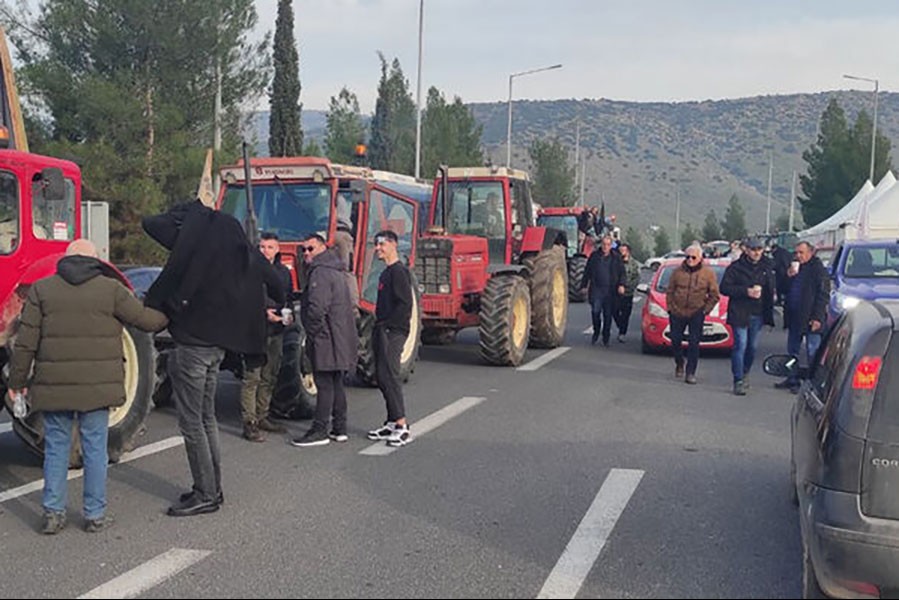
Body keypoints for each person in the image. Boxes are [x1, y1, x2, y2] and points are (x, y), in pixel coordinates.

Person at [6, 240, 168, 534]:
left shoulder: (42, 290)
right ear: (95, 260)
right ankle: (94, 515)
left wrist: (16, 383)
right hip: (97, 391)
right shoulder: (112, 290)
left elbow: (26, 344)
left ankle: (53, 514)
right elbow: (145, 321)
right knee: (95, 450)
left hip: (54, 390)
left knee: (56, 449)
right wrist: (171, 313)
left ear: (65, 260)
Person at [143, 199, 285, 518]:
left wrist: (192, 213)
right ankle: (211, 487)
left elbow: (151, 223)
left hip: (191, 346)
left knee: (192, 422)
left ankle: (206, 492)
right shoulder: (234, 253)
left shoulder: (195, 256)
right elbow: (276, 284)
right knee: (206, 419)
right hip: (217, 347)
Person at [290, 233, 359, 447]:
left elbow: (317, 308)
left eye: (310, 249)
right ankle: (340, 428)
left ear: (322, 247)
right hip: (338, 336)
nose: (306, 253)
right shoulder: (336, 271)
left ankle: (319, 430)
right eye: (303, 250)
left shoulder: (320, 273)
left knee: (324, 383)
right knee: (336, 383)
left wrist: (314, 331)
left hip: (326, 338)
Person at [239, 232, 291, 442]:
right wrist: (263, 312)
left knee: (269, 376)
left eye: (270, 247)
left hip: (276, 332)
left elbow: (286, 297)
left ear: (277, 249)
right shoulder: (248, 271)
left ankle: (262, 415)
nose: (265, 251)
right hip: (254, 330)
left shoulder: (283, 272)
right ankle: (249, 423)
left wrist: (285, 314)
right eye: (262, 247)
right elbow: (241, 299)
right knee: (252, 378)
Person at [366, 230, 414, 447]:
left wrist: (389, 326)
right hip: (382, 328)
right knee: (381, 376)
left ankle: (402, 426)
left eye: (382, 244)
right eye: (376, 244)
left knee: (390, 375)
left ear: (393, 244)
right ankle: (391, 421)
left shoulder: (399, 272)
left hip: (393, 331)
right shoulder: (385, 273)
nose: (378, 248)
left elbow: (405, 304)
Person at [720, 237, 776, 396]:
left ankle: (745, 372)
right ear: (746, 250)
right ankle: (737, 380)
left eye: (759, 249)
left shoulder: (767, 267)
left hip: (757, 313)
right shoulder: (735, 267)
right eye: (753, 249)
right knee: (740, 345)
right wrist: (746, 291)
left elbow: (772, 286)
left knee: (752, 347)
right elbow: (724, 288)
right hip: (740, 311)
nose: (757, 253)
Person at [776, 241, 829, 393]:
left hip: (811, 317)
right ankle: (792, 378)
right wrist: (787, 277)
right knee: (792, 350)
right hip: (794, 316)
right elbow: (783, 290)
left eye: (801, 253)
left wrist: (817, 317)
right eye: (796, 253)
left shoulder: (818, 270)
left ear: (810, 253)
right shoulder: (795, 268)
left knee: (813, 351)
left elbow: (823, 295)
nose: (798, 256)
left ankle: (813, 383)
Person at [666, 243, 720, 384]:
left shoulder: (708, 274)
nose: (690, 259)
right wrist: (670, 308)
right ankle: (679, 363)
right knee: (675, 340)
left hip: (697, 311)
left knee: (694, 343)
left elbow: (715, 295)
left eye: (693, 257)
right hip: (677, 311)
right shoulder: (677, 272)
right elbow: (670, 291)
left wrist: (705, 310)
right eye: (687, 256)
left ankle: (690, 373)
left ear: (700, 258)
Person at [580, 235, 625, 347]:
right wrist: (584, 285)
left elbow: (622, 273)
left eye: (608, 245)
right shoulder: (594, 256)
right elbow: (587, 271)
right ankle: (596, 330)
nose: (605, 247)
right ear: (601, 245)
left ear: (611, 246)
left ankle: (606, 337)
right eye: (604, 244)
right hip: (596, 289)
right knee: (595, 312)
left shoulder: (616, 258)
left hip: (610, 291)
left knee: (608, 315)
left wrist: (621, 285)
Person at [615, 242, 642, 343]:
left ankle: (622, 333)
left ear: (628, 252)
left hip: (628, 293)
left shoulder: (634, 264)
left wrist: (628, 287)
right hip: (616, 293)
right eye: (620, 251)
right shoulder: (615, 262)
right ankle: (620, 325)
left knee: (626, 314)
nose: (621, 253)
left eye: (623, 251)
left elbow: (637, 278)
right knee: (615, 311)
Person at [770, 240, 793, 306]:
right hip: (787, 271)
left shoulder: (777, 254)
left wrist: (773, 268)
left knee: (779, 287)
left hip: (780, 273)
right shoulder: (785, 252)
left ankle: (779, 301)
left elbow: (776, 264)